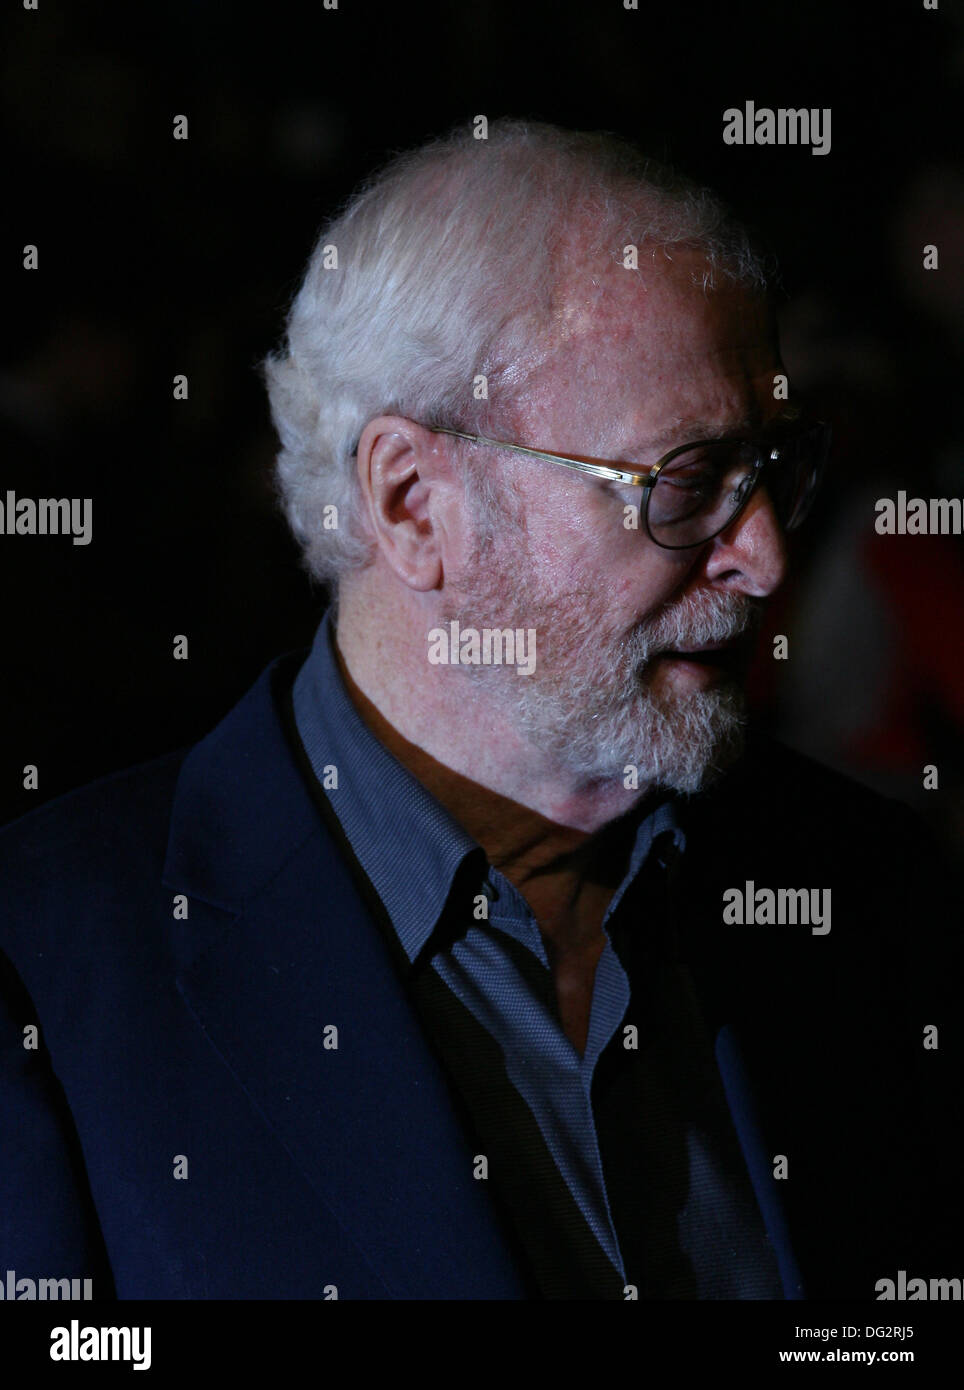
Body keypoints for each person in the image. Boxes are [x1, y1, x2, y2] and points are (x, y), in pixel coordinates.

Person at [0, 120, 957, 1301]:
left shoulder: (870, 891)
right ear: (411, 502)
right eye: (687, 482)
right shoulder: (45, 975)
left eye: (770, 469)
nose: (761, 557)